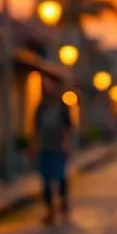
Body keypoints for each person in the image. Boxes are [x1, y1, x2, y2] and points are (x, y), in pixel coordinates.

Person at [32, 75, 73, 224]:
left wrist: (66, 144)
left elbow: (69, 128)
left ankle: (63, 201)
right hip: (45, 148)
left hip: (58, 149)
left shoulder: (63, 107)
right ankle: (50, 209)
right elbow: (35, 129)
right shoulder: (41, 107)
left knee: (60, 177)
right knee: (46, 180)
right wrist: (34, 147)